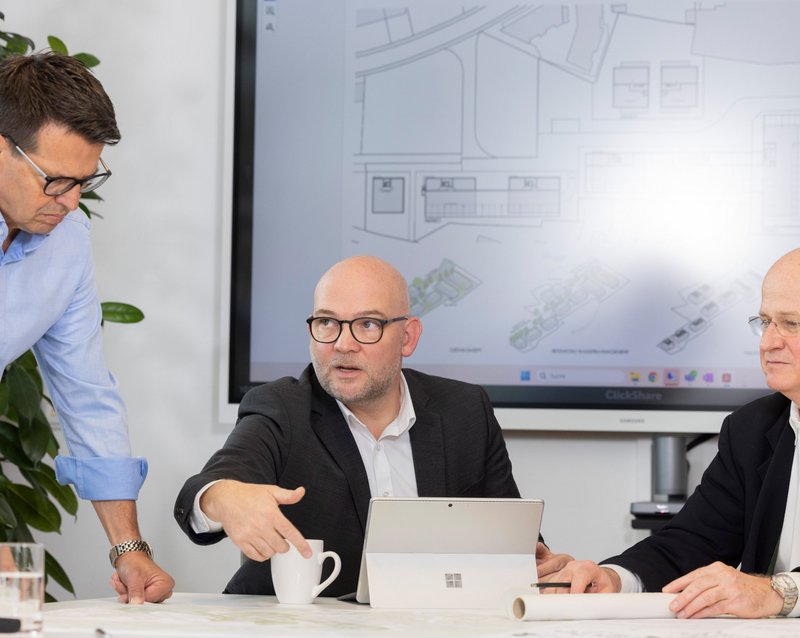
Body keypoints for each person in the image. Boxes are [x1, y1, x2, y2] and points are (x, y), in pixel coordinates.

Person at [175, 255, 569, 595]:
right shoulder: (281, 407)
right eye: (327, 323)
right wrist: (221, 497)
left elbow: (516, 542)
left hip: (433, 635)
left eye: (367, 325)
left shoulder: (465, 410)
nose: (343, 344)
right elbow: (211, 486)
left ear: (408, 337)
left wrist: (538, 567)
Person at [542, 248, 800, 619]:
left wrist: (778, 591)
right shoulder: (754, 427)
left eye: (791, 324)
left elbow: (771, 591)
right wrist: (614, 578)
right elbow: (692, 541)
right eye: (764, 322)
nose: (767, 343)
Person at [0, 52, 173, 603]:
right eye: (55, 180)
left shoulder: (66, 245)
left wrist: (128, 548)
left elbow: (86, 392)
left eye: (84, 182)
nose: (72, 203)